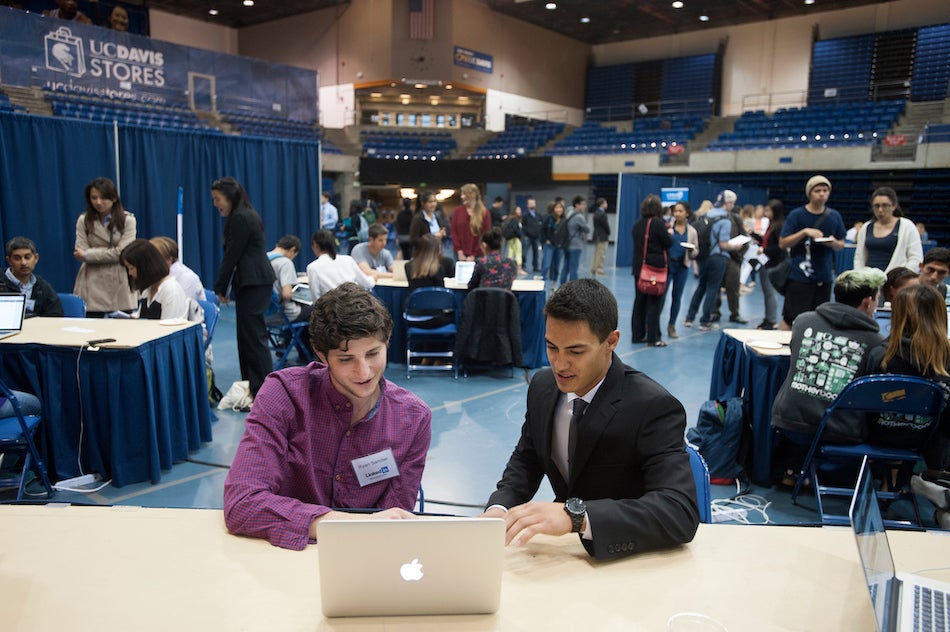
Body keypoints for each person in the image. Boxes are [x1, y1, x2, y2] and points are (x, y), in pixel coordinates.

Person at [481, 279, 699, 559]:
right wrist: (498, 509)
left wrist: (578, 517)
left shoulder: (653, 407)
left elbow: (678, 512)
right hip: (563, 558)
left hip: (627, 563)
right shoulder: (542, 388)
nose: (559, 364)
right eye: (551, 347)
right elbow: (528, 458)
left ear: (611, 341)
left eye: (575, 351)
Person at [223, 282, 432, 550]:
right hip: (287, 557)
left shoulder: (413, 419)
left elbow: (392, 522)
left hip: (364, 556)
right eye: (346, 359)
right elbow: (242, 502)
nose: (364, 371)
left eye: (373, 354)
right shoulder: (284, 395)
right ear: (322, 355)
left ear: (387, 341)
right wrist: (344, 525)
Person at [771, 267, 887, 445]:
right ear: (868, 301)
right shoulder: (876, 342)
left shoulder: (802, 321)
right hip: (840, 431)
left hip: (787, 420)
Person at [867, 284, 950, 471]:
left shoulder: (881, 355)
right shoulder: (947, 360)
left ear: (897, 315)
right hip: (927, 439)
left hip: (877, 435)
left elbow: (860, 406)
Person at [211, 177, 276, 399]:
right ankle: (254, 386)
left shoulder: (240, 218)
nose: (216, 204)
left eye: (217, 199)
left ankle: (263, 389)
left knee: (254, 337)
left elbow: (232, 255)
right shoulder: (245, 215)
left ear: (230, 198)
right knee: (248, 336)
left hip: (255, 281)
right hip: (253, 281)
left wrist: (221, 286)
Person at [778, 175, 846, 329]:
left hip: (824, 277)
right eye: (817, 190)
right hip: (800, 276)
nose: (822, 194)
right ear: (810, 193)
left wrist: (833, 243)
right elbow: (783, 243)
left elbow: (841, 244)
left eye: (825, 190)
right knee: (790, 318)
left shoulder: (834, 216)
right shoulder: (797, 215)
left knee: (820, 319)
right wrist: (804, 232)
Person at [73, 177, 137, 318]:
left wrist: (88, 255)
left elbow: (123, 253)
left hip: (118, 281)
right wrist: (108, 253)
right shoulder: (84, 220)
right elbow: (79, 250)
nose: (98, 202)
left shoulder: (128, 220)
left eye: (103, 198)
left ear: (113, 198)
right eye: (94, 198)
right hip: (91, 282)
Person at [683, 190, 742, 332]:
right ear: (727, 203)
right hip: (718, 257)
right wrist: (735, 246)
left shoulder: (706, 214)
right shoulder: (725, 220)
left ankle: (689, 318)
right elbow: (723, 244)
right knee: (712, 288)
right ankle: (705, 321)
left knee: (701, 286)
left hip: (703, 256)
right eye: (732, 203)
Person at [120, 238, 198, 321]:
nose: (130, 273)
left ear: (145, 267)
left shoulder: (171, 291)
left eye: (132, 268)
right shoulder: (148, 290)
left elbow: (169, 330)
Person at [631, 194, 673, 347]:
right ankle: (653, 338)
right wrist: (670, 235)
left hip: (639, 269)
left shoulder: (637, 225)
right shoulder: (658, 224)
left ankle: (637, 335)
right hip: (654, 269)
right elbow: (668, 243)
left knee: (639, 302)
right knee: (654, 303)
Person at [853, 187, 923, 273]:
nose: (880, 210)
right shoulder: (866, 227)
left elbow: (915, 258)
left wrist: (903, 277)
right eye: (876, 206)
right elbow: (859, 257)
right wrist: (860, 275)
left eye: (885, 205)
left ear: (894, 206)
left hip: (896, 281)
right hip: (868, 281)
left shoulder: (907, 226)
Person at [306, 229, 374, 302]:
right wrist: (372, 278)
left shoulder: (312, 267)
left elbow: (316, 298)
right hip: (354, 306)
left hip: (330, 309)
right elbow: (367, 283)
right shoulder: (348, 260)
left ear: (315, 244)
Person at [3, 237, 63, 317]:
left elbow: (56, 315)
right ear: (9, 260)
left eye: (27, 257)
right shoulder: (2, 282)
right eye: (17, 258)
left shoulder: (42, 286)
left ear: (36, 258)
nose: (23, 263)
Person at [665, 201, 698, 339]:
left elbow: (696, 250)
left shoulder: (692, 231)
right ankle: (652, 326)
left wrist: (692, 250)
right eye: (675, 211)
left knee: (676, 297)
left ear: (687, 213)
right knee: (660, 297)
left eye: (680, 211)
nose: (677, 214)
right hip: (667, 266)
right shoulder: (667, 228)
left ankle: (672, 325)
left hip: (682, 267)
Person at [267, 234, 311, 330]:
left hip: (263, 312)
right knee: (317, 311)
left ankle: (285, 342)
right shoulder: (285, 263)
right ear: (292, 250)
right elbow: (287, 295)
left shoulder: (263, 258)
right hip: (283, 314)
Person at [757, 199, 786, 330]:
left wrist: (764, 250)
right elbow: (766, 242)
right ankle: (768, 318)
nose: (765, 212)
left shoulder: (779, 226)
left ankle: (771, 320)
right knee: (766, 292)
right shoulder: (771, 225)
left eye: (768, 210)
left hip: (773, 263)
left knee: (770, 293)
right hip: (766, 262)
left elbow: (779, 248)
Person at [149, 236, 205, 305]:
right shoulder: (154, 277)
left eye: (153, 259)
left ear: (169, 260)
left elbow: (180, 310)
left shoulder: (187, 278)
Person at [451, 183, 491, 262]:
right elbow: (454, 232)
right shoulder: (457, 211)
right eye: (462, 194)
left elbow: (485, 235)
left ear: (473, 195)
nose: (462, 197)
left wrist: (473, 254)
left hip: (478, 255)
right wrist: (459, 251)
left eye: (465, 194)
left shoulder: (485, 213)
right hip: (459, 254)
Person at [559, 195, 590, 285]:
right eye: (583, 204)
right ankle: (574, 288)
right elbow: (587, 229)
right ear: (577, 205)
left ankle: (562, 286)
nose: (585, 206)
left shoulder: (568, 212)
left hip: (567, 244)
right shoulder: (579, 217)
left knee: (565, 267)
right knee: (574, 269)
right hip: (576, 245)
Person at [409, 190, 449, 256]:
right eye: (430, 202)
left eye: (434, 201)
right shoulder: (417, 218)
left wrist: (442, 234)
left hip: (437, 252)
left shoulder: (437, 216)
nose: (433, 204)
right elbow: (413, 240)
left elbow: (442, 234)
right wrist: (432, 237)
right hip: (423, 255)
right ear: (423, 203)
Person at [540, 199, 564, 283]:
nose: (559, 210)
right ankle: (542, 278)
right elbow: (542, 230)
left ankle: (554, 282)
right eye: (557, 208)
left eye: (560, 208)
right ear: (553, 209)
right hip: (549, 245)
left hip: (560, 245)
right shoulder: (549, 218)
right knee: (546, 264)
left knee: (556, 266)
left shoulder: (564, 220)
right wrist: (545, 240)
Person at [521, 195, 543, 274]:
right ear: (527, 205)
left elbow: (541, 224)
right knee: (524, 253)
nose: (532, 205)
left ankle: (535, 267)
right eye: (530, 204)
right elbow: (523, 226)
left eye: (533, 203)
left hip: (536, 237)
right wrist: (527, 232)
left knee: (536, 253)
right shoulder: (525, 215)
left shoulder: (538, 214)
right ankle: (523, 266)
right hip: (528, 237)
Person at [590, 197, 611, 277]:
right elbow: (605, 225)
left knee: (596, 253)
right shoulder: (603, 214)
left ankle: (593, 268)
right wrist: (608, 232)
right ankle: (599, 269)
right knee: (602, 253)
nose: (607, 205)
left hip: (596, 235)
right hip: (602, 236)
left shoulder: (595, 213)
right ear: (602, 204)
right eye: (605, 203)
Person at [501, 205, 525, 274]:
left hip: (510, 239)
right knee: (518, 253)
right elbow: (515, 229)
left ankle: (508, 268)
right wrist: (519, 236)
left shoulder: (510, 218)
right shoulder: (514, 219)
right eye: (518, 210)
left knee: (510, 253)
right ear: (515, 211)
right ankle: (519, 269)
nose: (520, 211)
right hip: (515, 238)